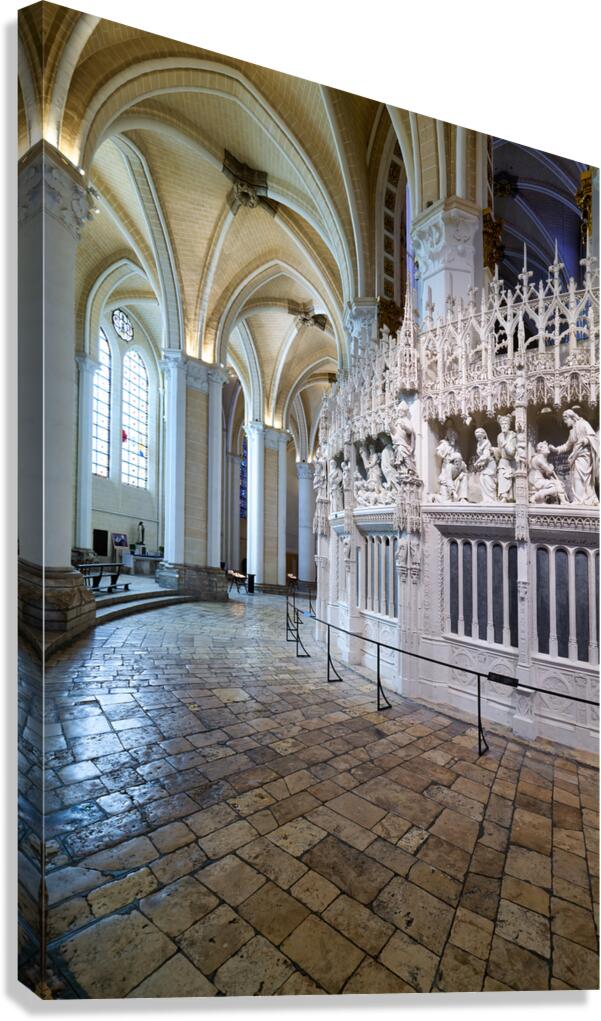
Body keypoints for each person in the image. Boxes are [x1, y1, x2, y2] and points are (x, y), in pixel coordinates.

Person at [550, 408, 599, 505]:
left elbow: (593, 437)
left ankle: (582, 500)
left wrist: (585, 441)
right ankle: (584, 499)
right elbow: (567, 445)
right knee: (577, 478)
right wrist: (556, 449)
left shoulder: (584, 424)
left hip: (584, 456)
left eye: (565, 420)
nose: (565, 422)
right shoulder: (572, 431)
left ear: (571, 417)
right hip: (576, 456)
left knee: (583, 478)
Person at [496, 415, 517, 502]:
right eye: (502, 424)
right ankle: (503, 496)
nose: (503, 426)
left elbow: (512, 453)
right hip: (503, 461)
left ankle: (508, 496)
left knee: (504, 471)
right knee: (501, 469)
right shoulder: (499, 436)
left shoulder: (513, 435)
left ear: (509, 425)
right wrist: (494, 451)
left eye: (505, 424)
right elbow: (500, 452)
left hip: (512, 462)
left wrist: (504, 444)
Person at [473, 428, 498, 502]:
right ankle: (486, 499)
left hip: (490, 464)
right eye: (477, 437)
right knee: (481, 479)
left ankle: (492, 498)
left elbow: (486, 455)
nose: (479, 438)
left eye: (480, 437)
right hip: (484, 465)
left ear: (483, 435)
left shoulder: (487, 443)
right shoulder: (478, 444)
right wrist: (480, 463)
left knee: (488, 479)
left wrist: (477, 462)